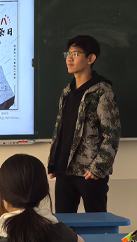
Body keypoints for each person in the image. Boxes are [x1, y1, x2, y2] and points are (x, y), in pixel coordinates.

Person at [47, 35, 121, 214]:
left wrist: (98, 168)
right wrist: (53, 162)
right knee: (64, 225)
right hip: (64, 171)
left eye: (76, 54)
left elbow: (112, 134)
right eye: (68, 54)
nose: (69, 58)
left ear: (90, 58)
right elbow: (60, 129)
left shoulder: (102, 91)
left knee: (97, 223)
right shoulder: (67, 91)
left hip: (89, 173)